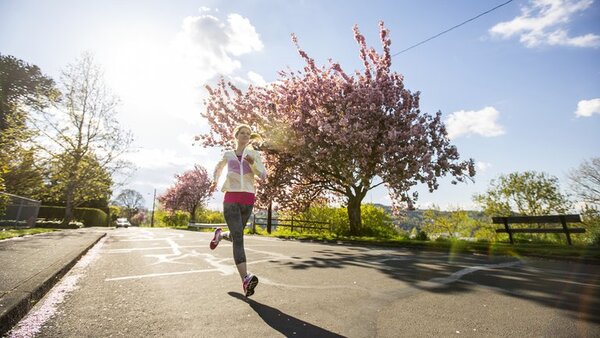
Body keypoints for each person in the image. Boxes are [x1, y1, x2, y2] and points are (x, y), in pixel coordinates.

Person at [210, 124, 267, 297]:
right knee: (239, 238)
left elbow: (263, 175)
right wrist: (215, 180)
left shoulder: (254, 155)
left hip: (248, 198)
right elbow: (218, 168)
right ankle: (246, 278)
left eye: (248, 134)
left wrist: (253, 165)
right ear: (236, 135)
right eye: (242, 133)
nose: (245, 135)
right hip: (232, 198)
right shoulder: (228, 155)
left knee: (237, 235)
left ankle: (220, 235)